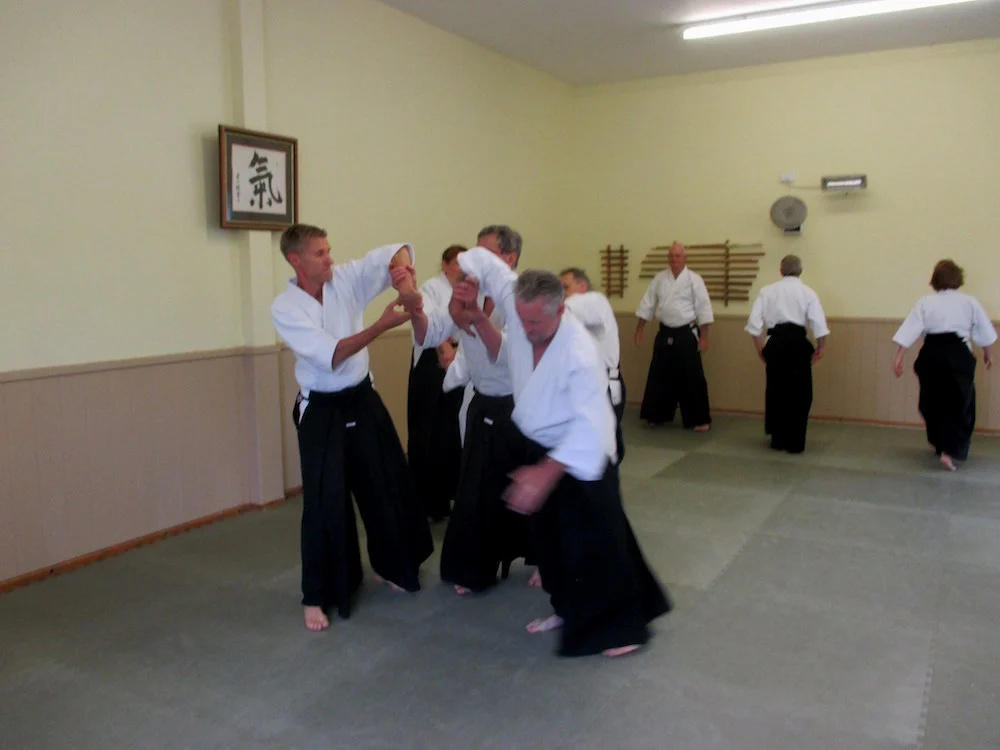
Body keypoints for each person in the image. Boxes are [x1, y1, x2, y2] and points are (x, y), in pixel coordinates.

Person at [454, 249, 671, 658]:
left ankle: (623, 629)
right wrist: (469, 272)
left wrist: (545, 472)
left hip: (582, 454)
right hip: (540, 444)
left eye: (535, 322)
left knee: (599, 543)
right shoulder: (519, 305)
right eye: (521, 319)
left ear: (560, 311)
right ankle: (566, 608)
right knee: (550, 541)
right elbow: (488, 264)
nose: (525, 328)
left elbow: (592, 424)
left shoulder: (579, 351)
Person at [270, 224, 433, 632]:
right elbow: (333, 354)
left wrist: (405, 283)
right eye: (320, 253)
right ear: (295, 260)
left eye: (329, 250)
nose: (330, 258)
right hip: (322, 409)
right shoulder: (285, 308)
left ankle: (395, 566)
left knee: (385, 483)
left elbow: (392, 250)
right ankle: (319, 595)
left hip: (362, 397)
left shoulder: (343, 279)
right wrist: (381, 326)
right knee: (325, 502)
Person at [412, 225, 530, 594]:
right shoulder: (473, 291)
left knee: (526, 486)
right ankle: (474, 568)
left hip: (518, 403)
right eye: (474, 251)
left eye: (486, 252)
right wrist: (417, 307)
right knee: (477, 489)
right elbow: (434, 332)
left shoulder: (522, 295)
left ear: (509, 258)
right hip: (482, 400)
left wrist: (475, 316)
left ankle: (542, 557)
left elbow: (510, 354)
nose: (474, 260)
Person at [892, 259, 996, 471]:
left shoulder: (925, 302)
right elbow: (983, 330)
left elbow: (910, 329)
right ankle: (949, 450)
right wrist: (988, 354)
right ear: (958, 278)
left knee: (931, 401)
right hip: (959, 355)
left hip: (932, 354)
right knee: (960, 403)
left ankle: (939, 443)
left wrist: (899, 357)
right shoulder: (969, 302)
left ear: (935, 279)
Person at [745, 255, 829, 454]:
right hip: (799, 345)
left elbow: (754, 325)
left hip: (775, 344)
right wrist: (820, 348)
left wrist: (760, 350)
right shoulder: (808, 292)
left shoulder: (767, 291)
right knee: (801, 394)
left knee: (776, 391)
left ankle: (778, 439)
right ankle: (796, 441)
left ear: (781, 271)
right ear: (800, 271)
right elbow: (819, 325)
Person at [407, 245, 467, 521]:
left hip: (460, 359)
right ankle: (425, 502)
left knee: (451, 430)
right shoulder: (431, 288)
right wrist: (444, 350)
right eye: (457, 263)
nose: (462, 269)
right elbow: (429, 323)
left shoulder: (469, 289)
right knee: (427, 432)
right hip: (432, 363)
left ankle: (449, 495)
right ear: (444, 264)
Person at [634, 242, 713, 432]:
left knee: (692, 377)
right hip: (665, 332)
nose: (674, 259)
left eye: (678, 256)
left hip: (686, 333)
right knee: (659, 374)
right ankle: (657, 415)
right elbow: (648, 303)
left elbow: (703, 308)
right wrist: (640, 328)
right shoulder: (660, 278)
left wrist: (704, 337)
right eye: (671, 256)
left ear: (685, 258)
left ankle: (698, 419)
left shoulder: (694, 279)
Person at [560, 267, 627, 464]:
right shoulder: (572, 316)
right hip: (585, 385)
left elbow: (566, 308)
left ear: (582, 286)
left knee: (603, 447)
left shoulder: (596, 301)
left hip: (604, 385)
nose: (562, 293)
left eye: (566, 287)